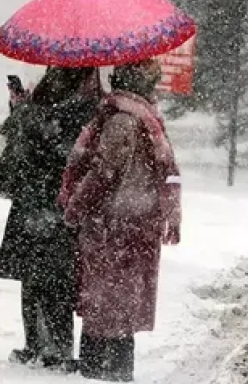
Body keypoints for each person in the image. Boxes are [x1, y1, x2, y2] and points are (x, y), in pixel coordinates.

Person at [58, 58, 182, 382]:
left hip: (114, 226)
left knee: (104, 307)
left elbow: (103, 173)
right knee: (121, 309)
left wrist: (75, 207)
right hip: (137, 224)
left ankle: (99, 371)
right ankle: (118, 371)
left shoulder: (122, 120)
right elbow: (166, 176)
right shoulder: (146, 118)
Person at [0, 67, 102, 370]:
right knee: (40, 275)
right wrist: (22, 106)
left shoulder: (81, 106)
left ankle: (51, 348)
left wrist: (28, 113)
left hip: (48, 199)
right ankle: (41, 345)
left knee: (48, 277)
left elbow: (59, 147)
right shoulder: (79, 100)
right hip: (43, 199)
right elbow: (37, 138)